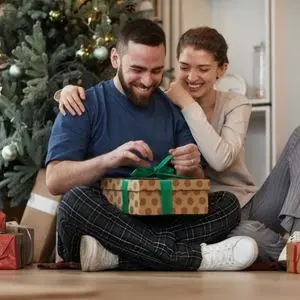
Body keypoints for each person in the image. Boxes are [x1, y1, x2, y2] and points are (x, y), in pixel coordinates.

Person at [58, 25, 300, 264]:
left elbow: (205, 171)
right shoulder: (85, 103)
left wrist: (191, 166)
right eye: (185, 68)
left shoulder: (177, 105)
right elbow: (55, 180)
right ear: (115, 58)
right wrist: (110, 157)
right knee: (75, 200)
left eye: (156, 71)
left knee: (227, 205)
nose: (147, 80)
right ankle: (190, 256)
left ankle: (120, 258)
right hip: (112, 219)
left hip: (185, 214)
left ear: (221, 69)